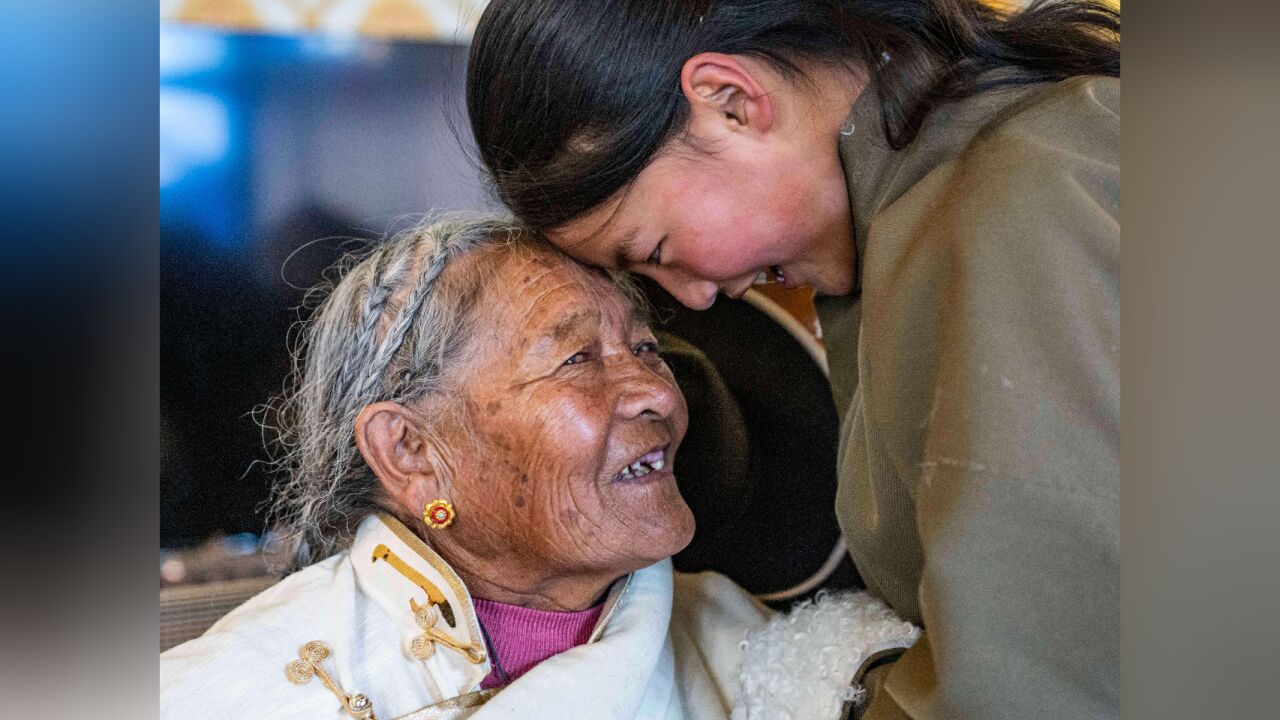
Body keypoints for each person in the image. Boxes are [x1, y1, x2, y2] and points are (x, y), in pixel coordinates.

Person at [465, 2, 1120, 718]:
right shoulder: (961, 207)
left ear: (731, 103)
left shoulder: (1013, 216)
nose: (697, 297)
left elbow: (1053, 676)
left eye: (656, 252)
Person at [159, 216, 916, 720]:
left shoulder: (771, 665)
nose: (657, 390)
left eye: (646, 347)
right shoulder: (234, 692)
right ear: (411, 452)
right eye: (577, 358)